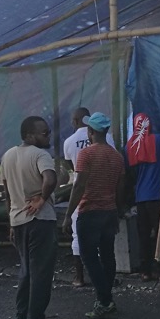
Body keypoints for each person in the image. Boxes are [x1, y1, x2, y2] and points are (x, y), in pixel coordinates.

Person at [3, 116, 61, 319]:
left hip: (18, 221)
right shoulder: (40, 154)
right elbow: (50, 178)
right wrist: (42, 199)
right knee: (41, 273)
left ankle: (22, 317)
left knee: (26, 270)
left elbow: (7, 193)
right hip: (40, 220)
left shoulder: (8, 156)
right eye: (44, 133)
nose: (48, 136)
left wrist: (11, 220)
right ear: (29, 135)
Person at [66, 112, 126, 319]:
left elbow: (79, 185)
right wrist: (117, 212)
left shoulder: (86, 155)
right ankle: (106, 299)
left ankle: (104, 299)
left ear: (91, 132)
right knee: (107, 255)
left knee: (89, 256)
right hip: (109, 212)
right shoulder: (117, 157)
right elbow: (120, 189)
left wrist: (67, 215)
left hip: (90, 212)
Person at [127, 112, 160, 281]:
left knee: (143, 235)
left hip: (140, 197)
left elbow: (130, 173)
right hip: (157, 195)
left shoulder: (129, 146)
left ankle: (145, 271)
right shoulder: (159, 140)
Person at [61, 106, 92, 287]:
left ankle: (79, 277)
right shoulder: (105, 137)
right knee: (100, 235)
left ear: (75, 121)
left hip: (79, 192)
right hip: (101, 191)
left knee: (77, 234)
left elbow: (72, 168)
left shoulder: (69, 142)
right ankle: (101, 276)